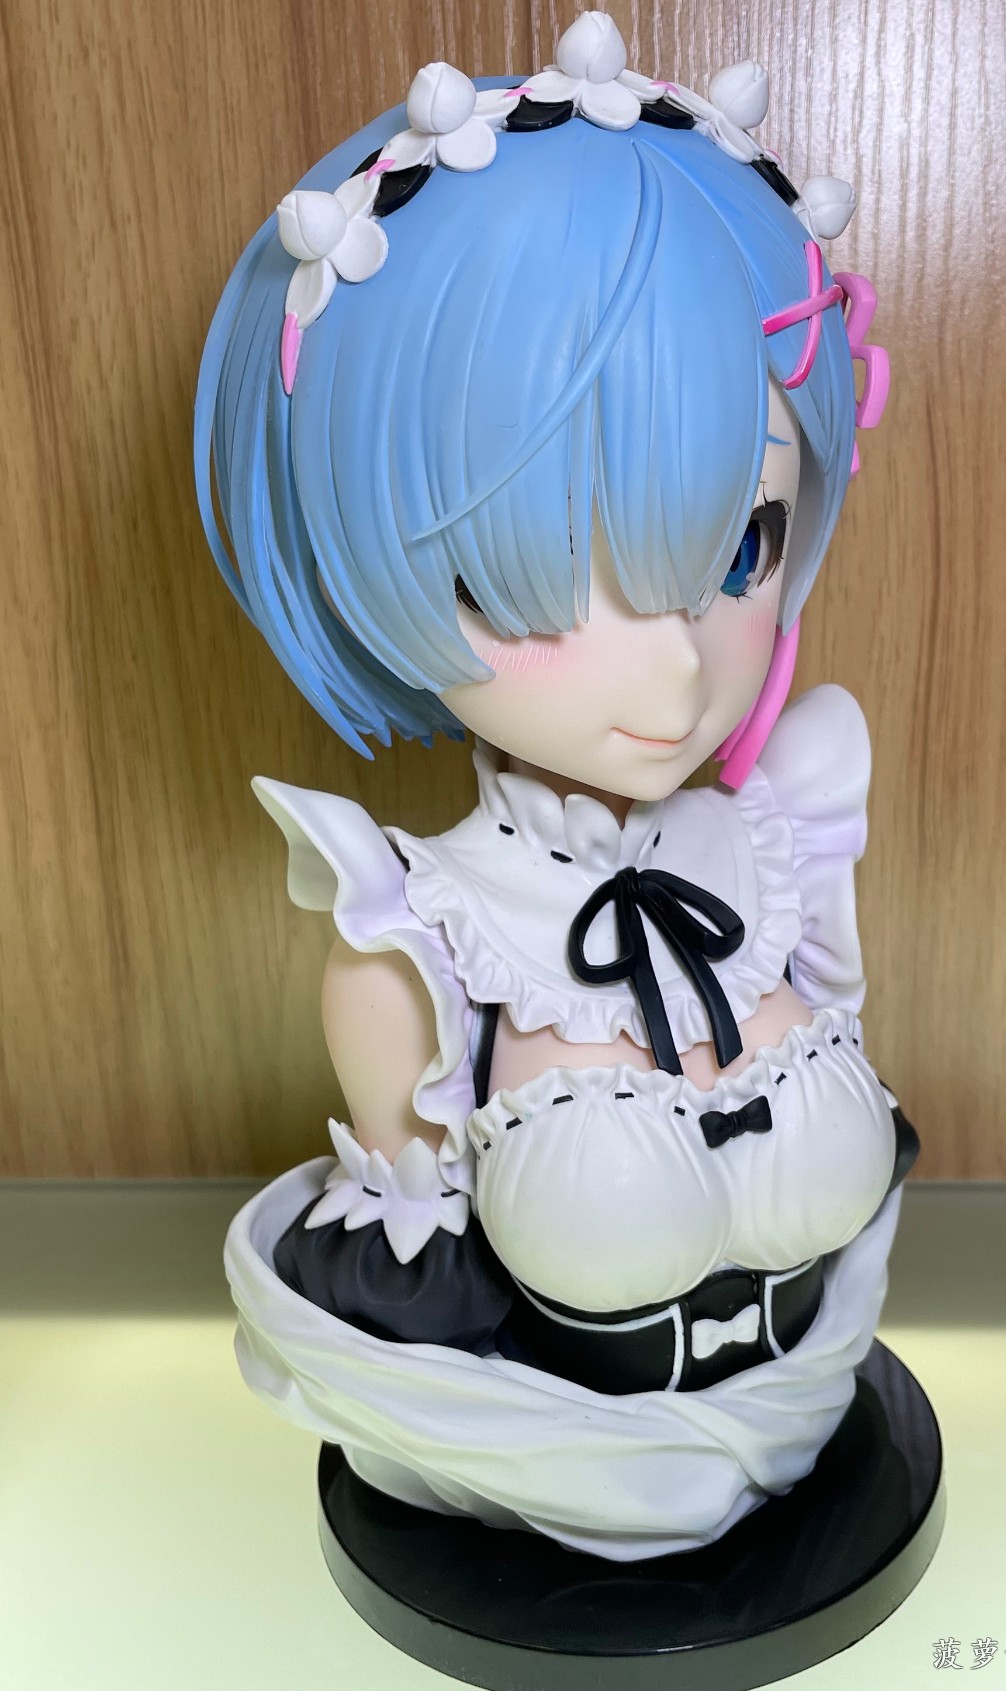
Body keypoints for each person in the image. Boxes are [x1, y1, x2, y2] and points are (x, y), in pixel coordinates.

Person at [199, 12, 915, 1560]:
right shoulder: (422, 922)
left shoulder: (771, 836)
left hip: (815, 1430)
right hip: (559, 1491)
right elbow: (417, 1238)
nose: (675, 673)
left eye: (741, 545)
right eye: (527, 577)